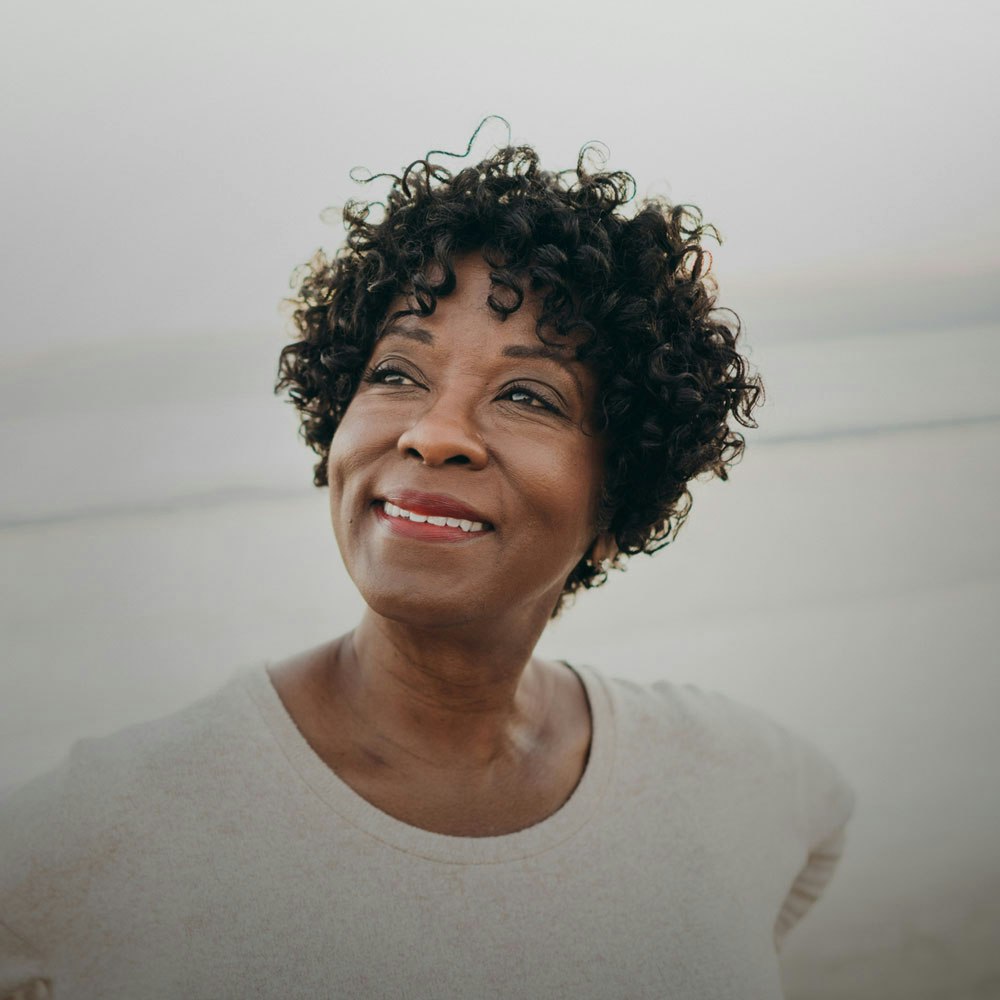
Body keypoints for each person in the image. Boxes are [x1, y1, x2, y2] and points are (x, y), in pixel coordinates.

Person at [0, 134, 854, 999]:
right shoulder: (118, 825)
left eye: (528, 395)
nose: (433, 432)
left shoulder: (728, 774)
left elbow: (819, 832)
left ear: (616, 508)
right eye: (398, 372)